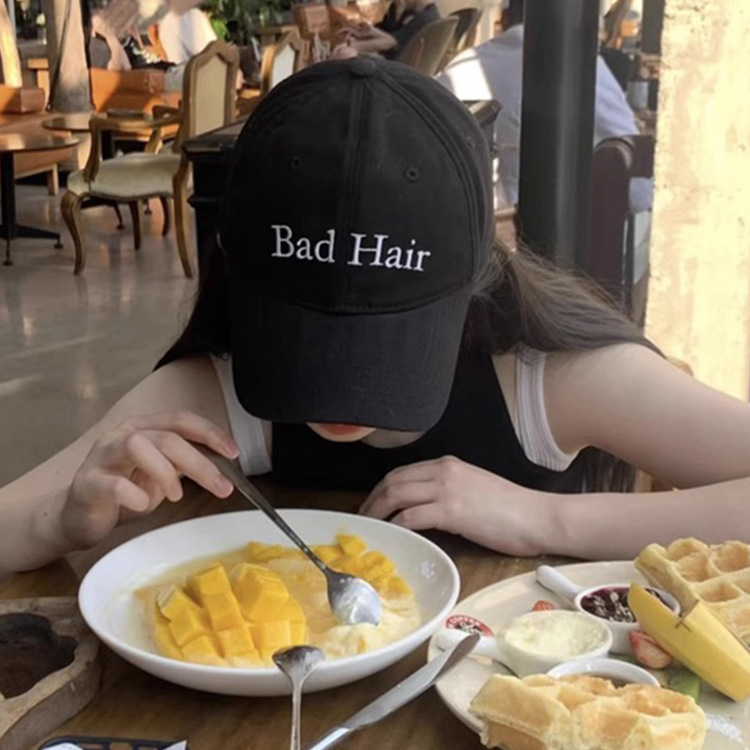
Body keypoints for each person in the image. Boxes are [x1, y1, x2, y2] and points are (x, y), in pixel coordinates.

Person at [0, 59, 748, 582]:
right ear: (233, 267)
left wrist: (541, 519)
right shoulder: (210, 393)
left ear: (479, 272)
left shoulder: (545, 378)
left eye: (383, 332)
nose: (339, 394)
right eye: (305, 332)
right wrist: (59, 522)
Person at [436, 0, 653, 214]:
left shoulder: (456, 71)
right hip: (558, 230)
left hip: (459, 227)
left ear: (504, 17)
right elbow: (639, 193)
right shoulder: (586, 69)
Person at [336, 0, 440, 59]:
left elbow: (389, 43)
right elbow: (396, 37)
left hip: (395, 66)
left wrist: (352, 46)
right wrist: (367, 33)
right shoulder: (420, 13)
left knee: (344, 54)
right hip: (392, 56)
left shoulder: (424, 19)